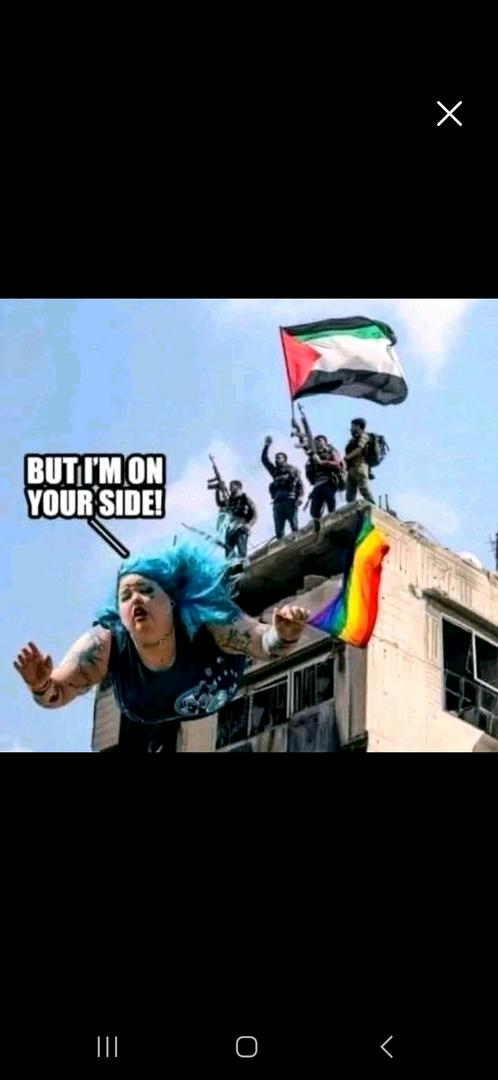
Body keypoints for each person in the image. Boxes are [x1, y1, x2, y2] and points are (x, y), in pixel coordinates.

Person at [13, 540, 309, 753]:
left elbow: (265, 644)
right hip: (147, 712)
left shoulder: (208, 622)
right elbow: (56, 694)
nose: (136, 600)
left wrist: (284, 633)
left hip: (217, 686)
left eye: (145, 590)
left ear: (171, 600)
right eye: (126, 596)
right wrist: (39, 685)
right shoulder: (103, 643)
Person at [261, 436, 304, 539]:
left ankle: (297, 540)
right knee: (279, 531)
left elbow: (300, 484)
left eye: (279, 458)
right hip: (277, 502)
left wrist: (300, 497)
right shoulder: (275, 472)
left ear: (285, 459)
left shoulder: (292, 470)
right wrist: (266, 446)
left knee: (294, 525)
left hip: (290, 500)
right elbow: (264, 460)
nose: (277, 459)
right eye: (276, 458)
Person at [305, 435, 346, 533]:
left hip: (328, 482)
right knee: (314, 511)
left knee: (331, 506)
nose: (317, 442)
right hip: (317, 485)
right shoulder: (313, 456)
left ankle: (333, 525)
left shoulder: (331, 451)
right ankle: (318, 528)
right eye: (316, 441)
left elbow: (337, 464)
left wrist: (322, 462)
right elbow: (309, 471)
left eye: (320, 440)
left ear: (325, 442)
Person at [215, 480, 257, 559]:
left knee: (242, 552)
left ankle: (244, 563)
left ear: (237, 487)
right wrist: (217, 490)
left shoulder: (246, 499)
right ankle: (233, 565)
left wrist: (248, 525)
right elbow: (219, 503)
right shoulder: (230, 500)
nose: (230, 488)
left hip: (240, 529)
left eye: (231, 486)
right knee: (228, 554)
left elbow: (255, 515)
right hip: (230, 530)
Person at [345, 418, 375, 504]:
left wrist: (348, 457)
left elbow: (360, 448)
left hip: (359, 465)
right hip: (351, 467)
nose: (351, 428)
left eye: (353, 426)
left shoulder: (363, 436)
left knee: (364, 488)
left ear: (358, 426)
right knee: (349, 495)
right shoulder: (353, 439)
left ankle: (371, 506)